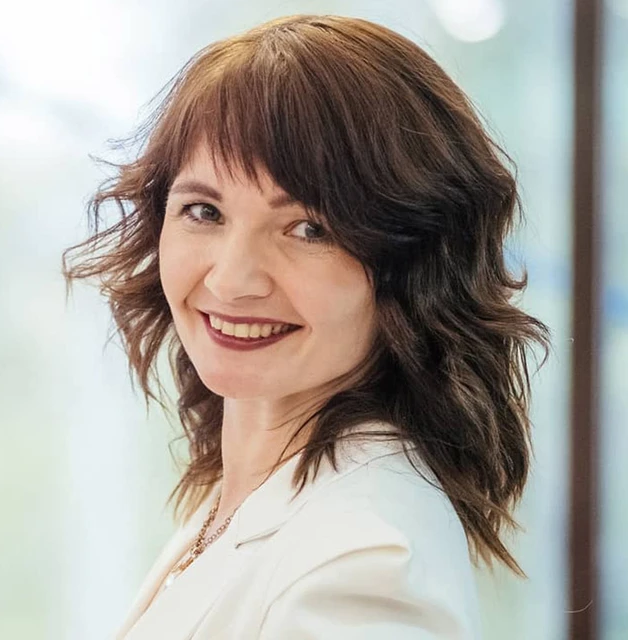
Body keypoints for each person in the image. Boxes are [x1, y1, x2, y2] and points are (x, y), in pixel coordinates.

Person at [62, 14, 550, 640]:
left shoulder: (367, 561)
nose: (232, 280)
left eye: (308, 228)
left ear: (412, 264)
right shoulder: (244, 502)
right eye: (204, 211)